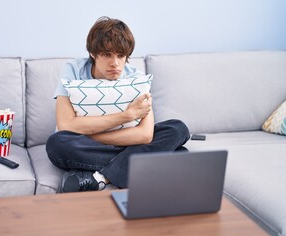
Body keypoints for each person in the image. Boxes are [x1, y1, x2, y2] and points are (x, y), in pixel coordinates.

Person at [46, 16, 190, 193]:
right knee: (57, 143)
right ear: (93, 53)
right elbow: (66, 125)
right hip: (105, 144)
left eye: (120, 56)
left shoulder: (135, 78)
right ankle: (144, 161)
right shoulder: (73, 70)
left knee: (177, 129)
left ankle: (101, 177)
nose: (115, 63)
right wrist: (127, 116)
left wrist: (91, 135)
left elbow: (145, 135)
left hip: (104, 142)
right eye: (107, 55)